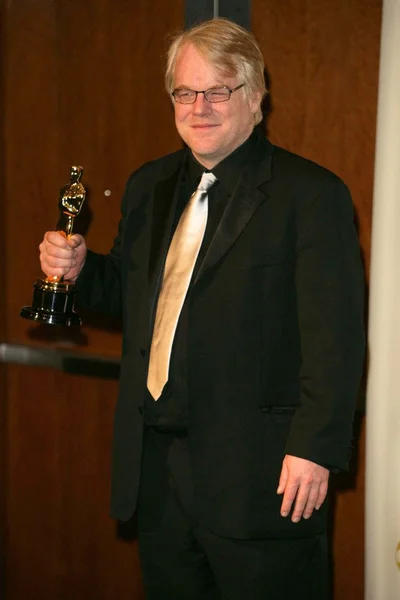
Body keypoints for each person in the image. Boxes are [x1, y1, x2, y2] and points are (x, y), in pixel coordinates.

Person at [39, 17, 365, 600]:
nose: (200, 107)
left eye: (219, 90)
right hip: (158, 476)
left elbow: (335, 340)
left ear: (256, 96)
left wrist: (315, 449)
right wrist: (82, 271)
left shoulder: (312, 196)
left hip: (262, 480)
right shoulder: (149, 185)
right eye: (186, 92)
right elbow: (138, 299)